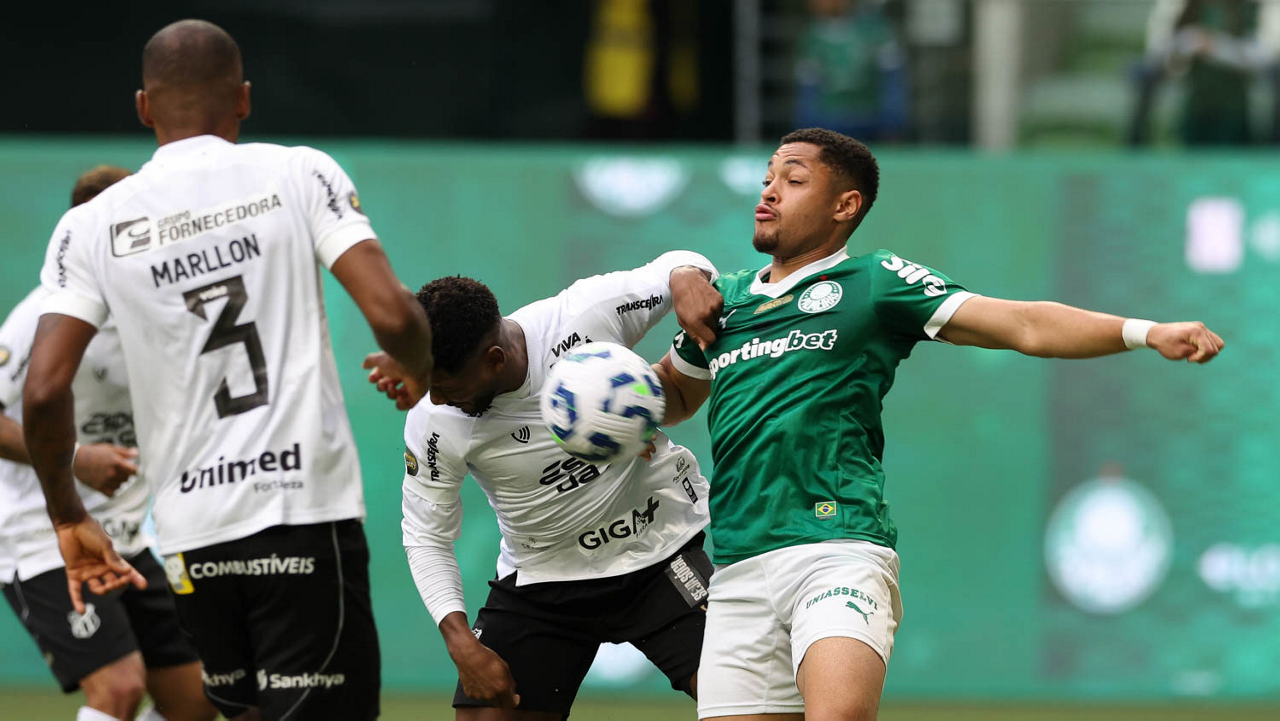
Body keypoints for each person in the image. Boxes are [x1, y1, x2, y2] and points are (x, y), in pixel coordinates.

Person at [653, 127, 1225, 721]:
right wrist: (606, 387)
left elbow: (1024, 324)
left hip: (833, 548)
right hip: (737, 566)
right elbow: (668, 395)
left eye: (794, 180)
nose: (770, 191)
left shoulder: (874, 281)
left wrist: (1145, 332)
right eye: (769, 177)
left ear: (845, 206)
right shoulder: (725, 302)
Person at [22, 19, 433, 721]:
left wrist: (68, 514)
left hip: (190, 533)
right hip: (300, 511)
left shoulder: (88, 225)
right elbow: (393, 315)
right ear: (242, 98)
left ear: (144, 108)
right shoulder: (299, 171)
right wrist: (417, 365)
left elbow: (42, 390)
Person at [363, 252, 723, 720]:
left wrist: (686, 275)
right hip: (543, 581)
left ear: (494, 360)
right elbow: (426, 535)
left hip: (658, 554)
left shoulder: (582, 315)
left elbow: (682, 266)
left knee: (749, 700)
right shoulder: (434, 419)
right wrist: (461, 644)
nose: (435, 397)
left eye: (446, 385)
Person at [0, 165, 215, 721]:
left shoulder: (167, 311)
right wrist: (76, 460)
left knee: (197, 701)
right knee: (118, 690)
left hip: (127, 535)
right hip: (41, 536)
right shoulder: (40, 318)